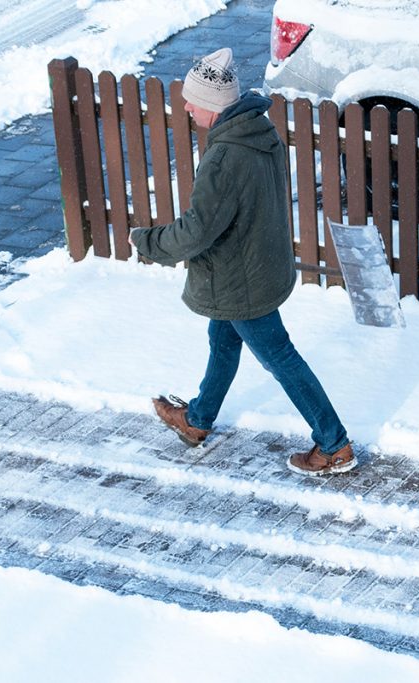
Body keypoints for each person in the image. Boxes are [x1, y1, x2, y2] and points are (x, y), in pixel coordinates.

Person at [128, 47, 355, 477]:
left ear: (213, 106)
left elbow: (197, 230)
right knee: (224, 340)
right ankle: (197, 421)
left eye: (192, 99)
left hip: (241, 279)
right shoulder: (257, 130)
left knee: (280, 358)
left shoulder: (224, 158)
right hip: (256, 264)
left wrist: (148, 241)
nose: (186, 105)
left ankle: (334, 444)